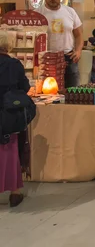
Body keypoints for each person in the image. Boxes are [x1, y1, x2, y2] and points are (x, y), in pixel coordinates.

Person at [0, 31, 30, 207]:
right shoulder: (14, 64)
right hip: (8, 115)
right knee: (10, 151)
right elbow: (24, 87)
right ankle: (14, 192)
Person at [37, 0, 83, 88]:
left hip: (68, 57)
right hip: (46, 59)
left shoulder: (70, 12)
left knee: (73, 92)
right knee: (49, 95)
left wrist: (78, 51)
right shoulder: (37, 14)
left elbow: (79, 34)